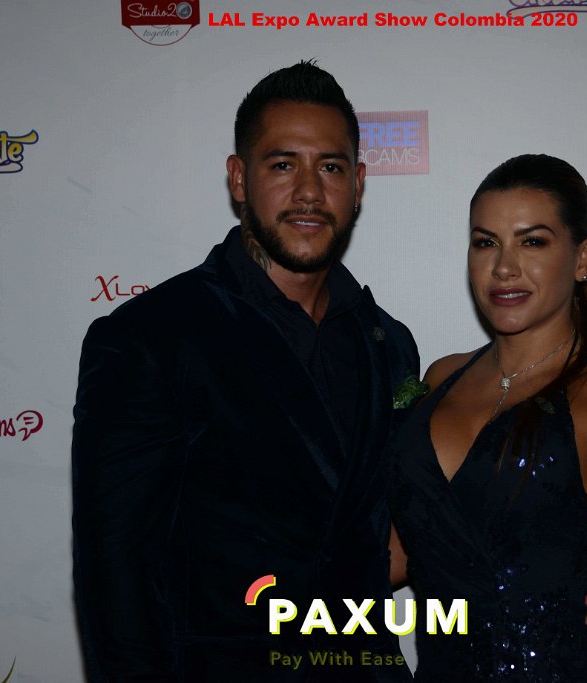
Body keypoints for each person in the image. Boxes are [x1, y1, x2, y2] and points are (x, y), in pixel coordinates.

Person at [71, 62, 419, 682]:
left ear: (358, 184)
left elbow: (394, 535)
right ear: (238, 178)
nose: (309, 191)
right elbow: (115, 578)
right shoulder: (151, 338)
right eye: (283, 165)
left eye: (331, 167)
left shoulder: (390, 344)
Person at [387, 155, 587, 681]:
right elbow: (398, 551)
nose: (504, 267)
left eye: (532, 242)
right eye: (486, 242)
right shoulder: (440, 378)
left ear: (583, 258)